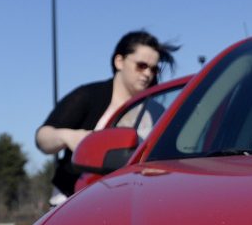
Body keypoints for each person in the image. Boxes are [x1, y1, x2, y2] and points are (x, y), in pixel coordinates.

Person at [36, 30, 180, 205]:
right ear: (119, 61)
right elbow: (43, 137)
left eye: (153, 69)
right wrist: (68, 136)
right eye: (141, 65)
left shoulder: (157, 111)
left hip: (133, 202)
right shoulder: (89, 96)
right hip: (73, 202)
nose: (148, 74)